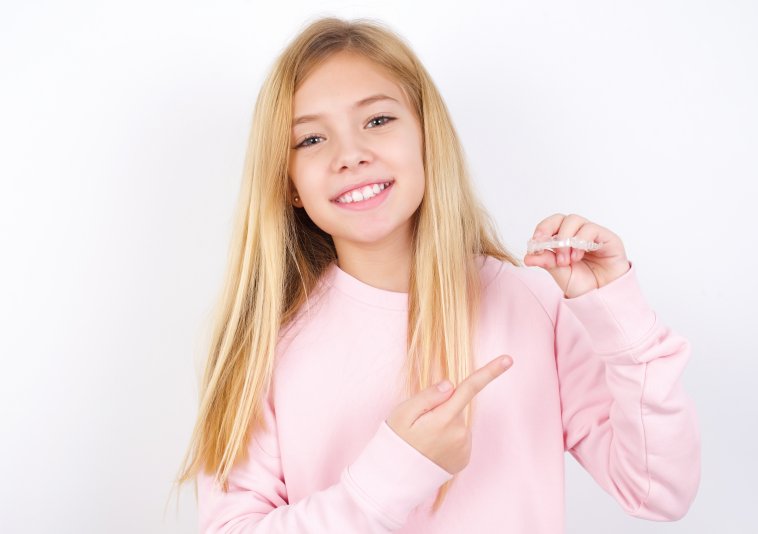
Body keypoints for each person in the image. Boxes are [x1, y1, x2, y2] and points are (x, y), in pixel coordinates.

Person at [173, 15, 701, 533]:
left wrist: (617, 317)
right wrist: (389, 476)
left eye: (377, 120)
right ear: (288, 183)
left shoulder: (533, 304)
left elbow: (658, 491)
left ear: (428, 136)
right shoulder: (270, 344)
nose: (351, 155)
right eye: (311, 140)